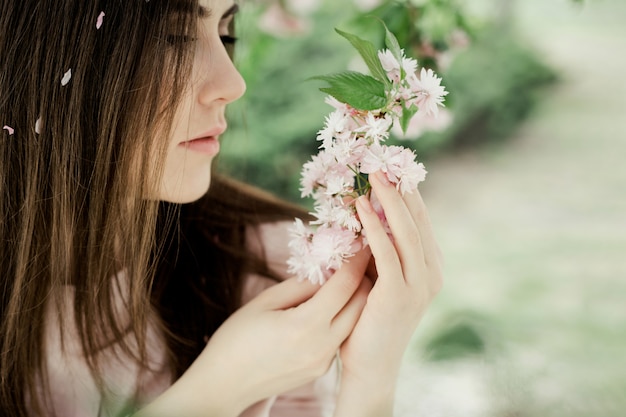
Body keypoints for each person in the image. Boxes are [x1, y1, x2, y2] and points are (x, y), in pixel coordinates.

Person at [0, 1, 442, 416]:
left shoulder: (266, 273)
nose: (233, 84)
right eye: (171, 37)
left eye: (226, 33)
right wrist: (218, 390)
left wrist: (369, 384)